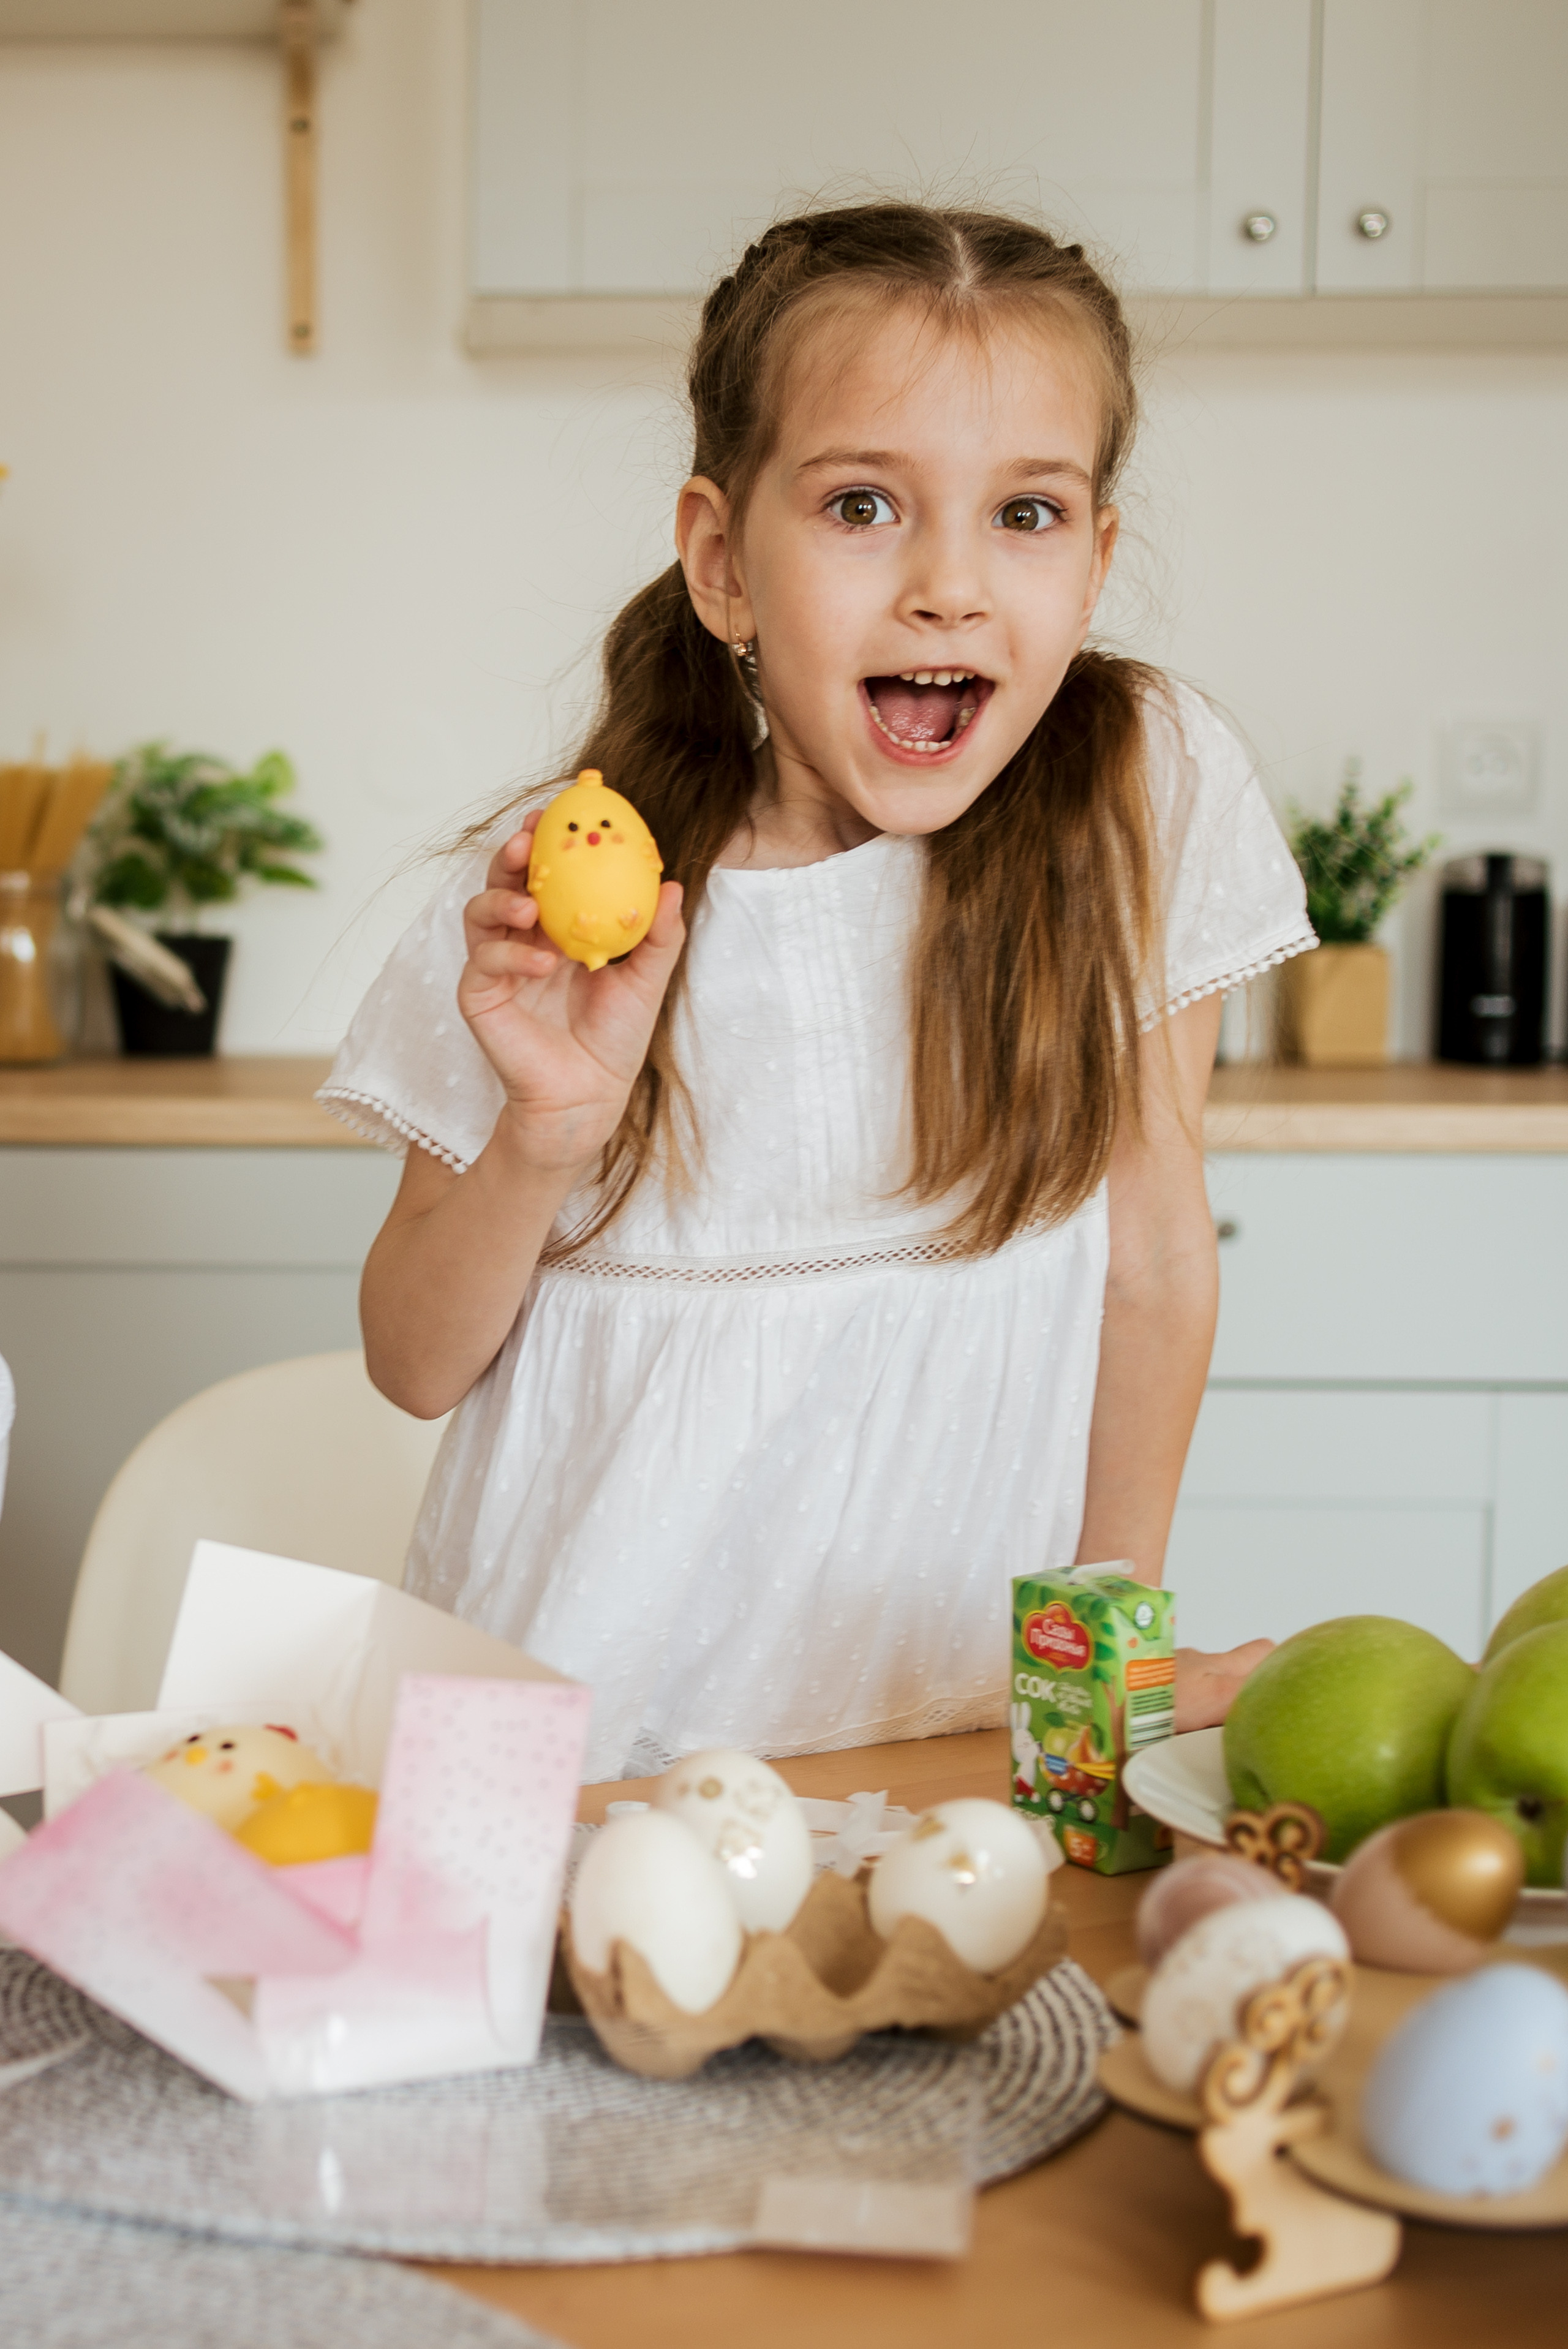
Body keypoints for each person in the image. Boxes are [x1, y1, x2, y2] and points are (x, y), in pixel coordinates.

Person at [323, 203, 1313, 1782]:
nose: (951, 588)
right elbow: (413, 1360)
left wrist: (1096, 1675)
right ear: (723, 562)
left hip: (942, 1733)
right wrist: (548, 1130)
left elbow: (1154, 1262)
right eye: (865, 504)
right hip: (584, 1754)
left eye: (1029, 516)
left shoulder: (1139, 792)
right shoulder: (571, 904)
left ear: (1099, 558)